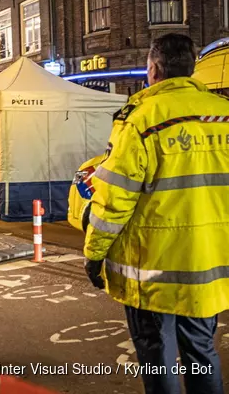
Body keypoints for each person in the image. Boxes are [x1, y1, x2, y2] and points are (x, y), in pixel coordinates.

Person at [83, 33, 229, 394]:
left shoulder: (140, 119)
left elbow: (115, 201)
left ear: (153, 68)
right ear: (191, 67)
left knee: (157, 353)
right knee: (201, 352)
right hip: (207, 267)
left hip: (152, 270)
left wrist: (94, 253)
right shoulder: (223, 115)